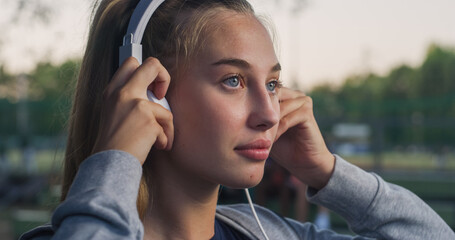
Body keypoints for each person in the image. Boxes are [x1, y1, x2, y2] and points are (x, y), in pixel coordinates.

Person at [20, 0, 454, 239]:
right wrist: (117, 159)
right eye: (233, 80)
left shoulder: (270, 235)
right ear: (152, 94)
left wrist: (327, 172)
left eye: (271, 84)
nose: (270, 114)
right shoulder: (75, 233)